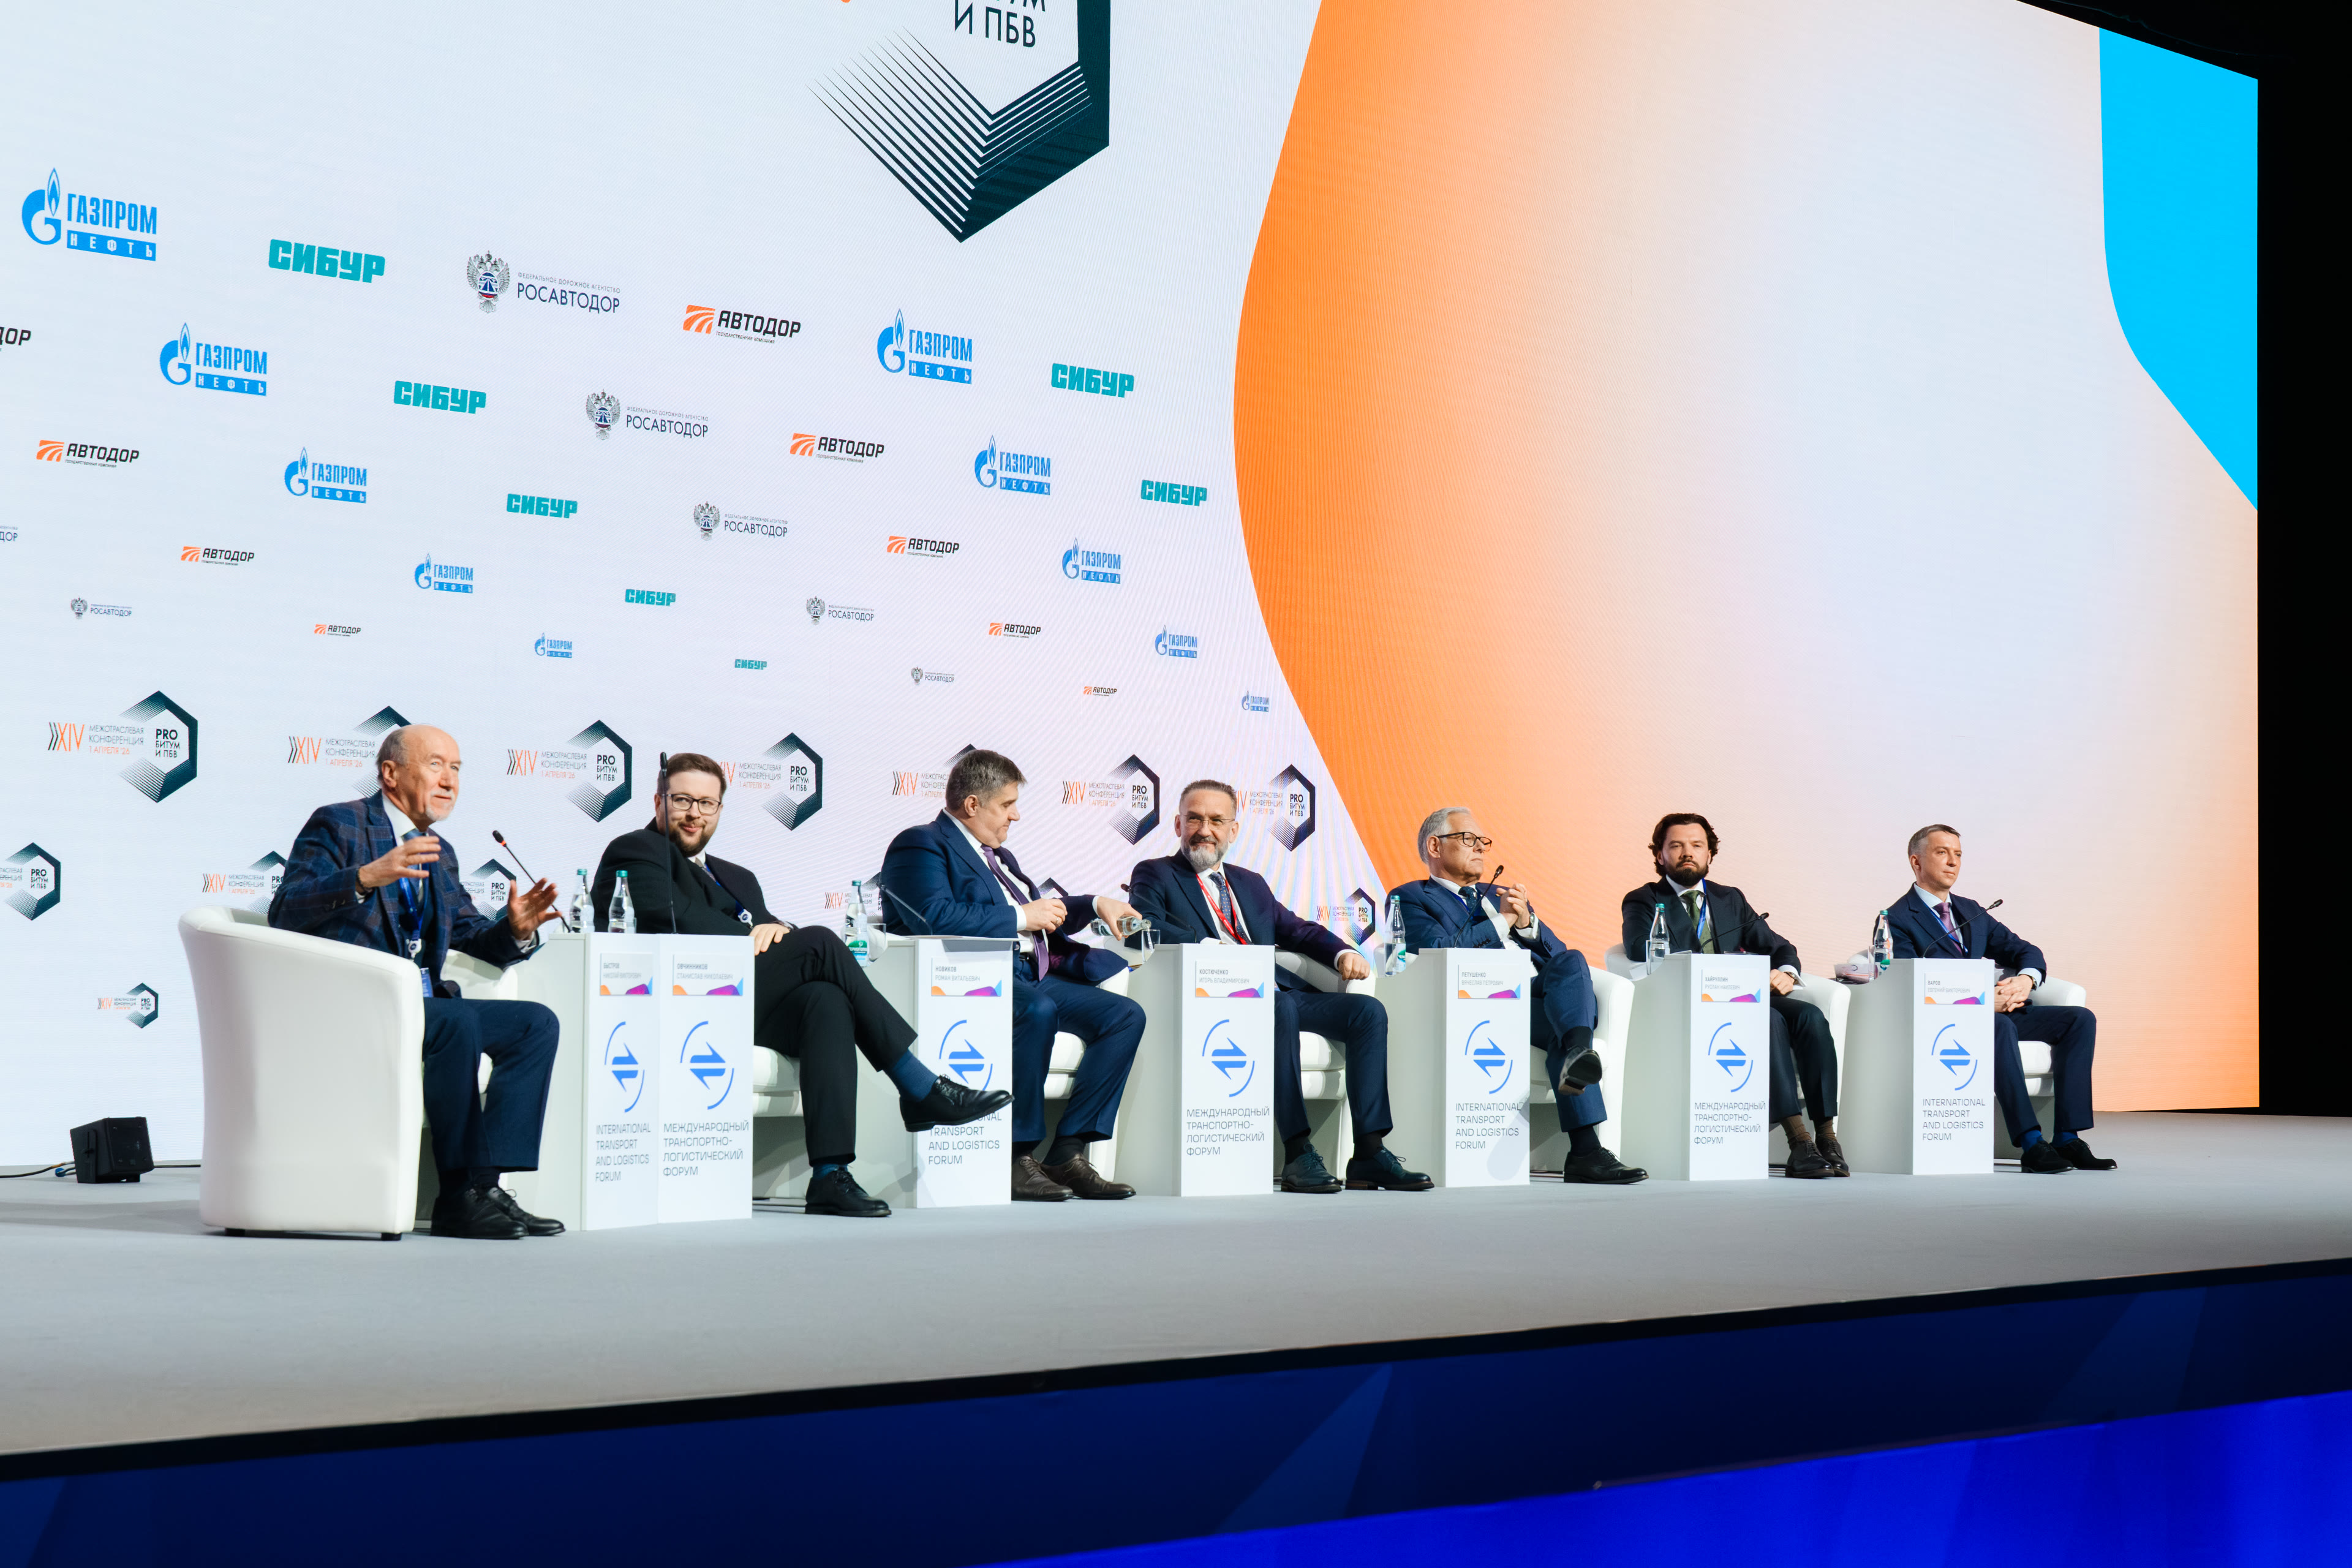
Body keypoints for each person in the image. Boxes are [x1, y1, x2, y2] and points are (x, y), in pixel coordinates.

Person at [590, 753, 1010, 1218]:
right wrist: (755, 935)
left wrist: (778, 931)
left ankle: (830, 1175)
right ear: (658, 801)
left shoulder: (738, 877)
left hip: (743, 999)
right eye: (683, 800)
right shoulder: (636, 851)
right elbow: (672, 917)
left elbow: (773, 931)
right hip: (677, 998)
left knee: (825, 1000)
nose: (695, 814)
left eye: (707, 804)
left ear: (720, 810)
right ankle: (917, 1084)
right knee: (821, 944)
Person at [268, 725, 566, 1239]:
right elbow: (285, 910)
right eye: (435, 765)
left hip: (422, 1008)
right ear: (390, 773)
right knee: (454, 1022)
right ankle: (458, 1196)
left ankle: (485, 1186)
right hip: (356, 1003)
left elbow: (470, 936)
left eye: (456, 768)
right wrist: (366, 877)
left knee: (533, 1025)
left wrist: (515, 931)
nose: (449, 780)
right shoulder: (340, 824)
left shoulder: (439, 851)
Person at [1127, 780, 1430, 1194]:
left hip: (1269, 996)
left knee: (1367, 1012)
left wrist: (1342, 953)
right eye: (1194, 819)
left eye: (1217, 820)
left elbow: (1297, 930)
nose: (1205, 830)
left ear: (1233, 830)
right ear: (1178, 824)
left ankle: (1369, 1151)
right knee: (1279, 1006)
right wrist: (1212, 948)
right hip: (1212, 996)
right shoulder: (1156, 873)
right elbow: (1146, 925)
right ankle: (1297, 1152)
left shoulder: (1250, 883)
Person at [874, 749, 1146, 1201]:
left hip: (1028, 975)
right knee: (1037, 1009)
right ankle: (1018, 1157)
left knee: (1124, 1016)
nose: (1015, 816)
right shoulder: (920, 843)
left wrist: (1096, 904)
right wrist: (1021, 916)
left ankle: (1068, 1153)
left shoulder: (998, 856)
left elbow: (1040, 914)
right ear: (973, 804)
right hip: (969, 978)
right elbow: (931, 916)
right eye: (1007, 805)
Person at [1392, 808, 1646, 1185]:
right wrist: (1503, 923)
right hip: (1484, 1001)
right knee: (1565, 1029)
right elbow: (1440, 950)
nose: (1481, 848)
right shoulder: (1411, 897)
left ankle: (1578, 1053)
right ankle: (1585, 1150)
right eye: (1468, 839)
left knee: (1573, 962)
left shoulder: (1500, 894)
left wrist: (1527, 924)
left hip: (1537, 997)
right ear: (1434, 846)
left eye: (1483, 841)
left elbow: (1559, 956)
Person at [1621, 813, 1845, 1178]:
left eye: (1697, 845)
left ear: (1710, 853)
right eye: (1676, 846)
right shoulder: (1644, 900)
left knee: (1810, 1017)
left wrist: (1786, 973)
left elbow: (1779, 947)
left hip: (1742, 998)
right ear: (1660, 855)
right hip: (1690, 1003)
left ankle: (1826, 1136)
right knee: (1768, 1020)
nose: (1687, 853)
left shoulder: (1729, 899)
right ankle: (1799, 1142)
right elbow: (1637, 947)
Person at [1883, 824, 2111, 1174]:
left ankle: (2067, 1137)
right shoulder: (1898, 918)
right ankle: (2031, 1143)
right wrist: (1980, 1002)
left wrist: (2025, 980)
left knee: (2079, 1020)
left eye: (1958, 855)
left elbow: (2025, 950)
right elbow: (1908, 982)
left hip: (1995, 1012)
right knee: (1999, 1026)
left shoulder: (1971, 911)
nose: (1953, 862)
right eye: (1942, 853)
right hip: (1944, 1020)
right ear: (1916, 862)